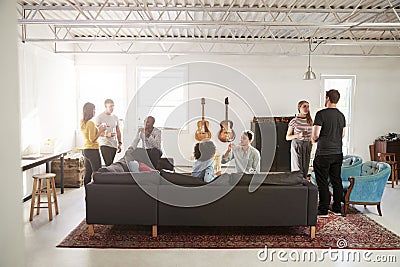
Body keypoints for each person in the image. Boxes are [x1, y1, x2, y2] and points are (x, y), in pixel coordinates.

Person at [311, 89, 346, 217]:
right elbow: (342, 134)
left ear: (327, 98)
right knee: (336, 180)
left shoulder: (321, 114)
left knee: (322, 182)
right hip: (337, 153)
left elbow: (315, 135)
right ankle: (337, 209)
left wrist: (313, 139)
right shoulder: (341, 115)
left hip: (323, 154)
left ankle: (323, 209)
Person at [80, 102, 106, 185]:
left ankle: (88, 193)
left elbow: (89, 134)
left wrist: (98, 128)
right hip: (92, 150)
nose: (95, 111)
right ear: (90, 111)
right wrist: (101, 131)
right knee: (98, 172)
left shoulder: (83, 122)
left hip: (86, 149)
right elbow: (92, 139)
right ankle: (97, 192)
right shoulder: (90, 123)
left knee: (88, 172)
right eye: (94, 110)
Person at [286, 100, 313, 178]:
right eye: (304, 106)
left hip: (307, 144)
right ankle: (297, 186)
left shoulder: (310, 121)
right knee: (297, 168)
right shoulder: (294, 121)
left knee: (305, 168)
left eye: (308, 106)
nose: (306, 108)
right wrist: (299, 135)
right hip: (297, 144)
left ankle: (303, 186)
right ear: (299, 108)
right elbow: (287, 137)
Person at [94, 99, 122, 166]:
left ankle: (109, 176)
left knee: (110, 164)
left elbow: (118, 131)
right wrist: (106, 134)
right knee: (108, 164)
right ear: (105, 106)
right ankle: (108, 176)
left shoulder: (115, 117)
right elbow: (96, 133)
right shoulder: (99, 117)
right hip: (104, 144)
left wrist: (120, 143)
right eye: (110, 106)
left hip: (114, 144)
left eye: (113, 106)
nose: (112, 108)